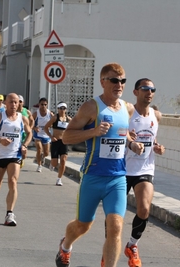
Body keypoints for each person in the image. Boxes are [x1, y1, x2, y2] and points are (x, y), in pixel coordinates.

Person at [55, 63, 144, 267]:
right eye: (114, 80)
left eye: (122, 81)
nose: (119, 84)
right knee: (83, 225)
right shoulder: (91, 107)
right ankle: (65, 246)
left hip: (117, 178)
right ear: (103, 82)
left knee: (115, 226)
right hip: (93, 177)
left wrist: (132, 143)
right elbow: (66, 137)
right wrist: (92, 132)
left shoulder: (128, 108)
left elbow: (123, 133)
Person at [123, 78, 165, 267]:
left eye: (152, 89)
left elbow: (152, 138)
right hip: (122, 169)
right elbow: (119, 135)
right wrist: (129, 142)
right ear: (135, 92)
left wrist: (157, 147)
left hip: (145, 169)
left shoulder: (156, 115)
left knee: (144, 209)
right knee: (115, 215)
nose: (149, 92)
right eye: (145, 89)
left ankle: (132, 245)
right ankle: (110, 249)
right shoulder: (128, 112)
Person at [0, 93, 32, 226]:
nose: (14, 105)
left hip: (15, 155)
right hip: (0, 155)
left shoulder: (22, 119)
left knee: (13, 181)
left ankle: (9, 214)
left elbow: (29, 133)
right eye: (11, 102)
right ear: (6, 103)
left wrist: (25, 145)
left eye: (16, 102)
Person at [43, 102, 72, 186]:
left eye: (64, 108)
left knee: (63, 160)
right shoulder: (55, 118)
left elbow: (74, 128)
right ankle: (52, 165)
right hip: (56, 142)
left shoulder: (68, 119)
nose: (62, 110)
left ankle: (59, 179)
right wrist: (51, 137)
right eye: (61, 108)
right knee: (55, 163)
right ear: (58, 109)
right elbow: (46, 127)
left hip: (64, 142)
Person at [32, 97, 53, 172]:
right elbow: (29, 123)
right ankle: (39, 165)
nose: (43, 106)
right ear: (39, 105)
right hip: (38, 134)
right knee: (39, 149)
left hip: (46, 135)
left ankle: (43, 157)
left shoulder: (50, 114)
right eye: (42, 104)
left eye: (45, 104)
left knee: (47, 153)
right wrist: (34, 128)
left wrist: (51, 125)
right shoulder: (36, 114)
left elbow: (54, 122)